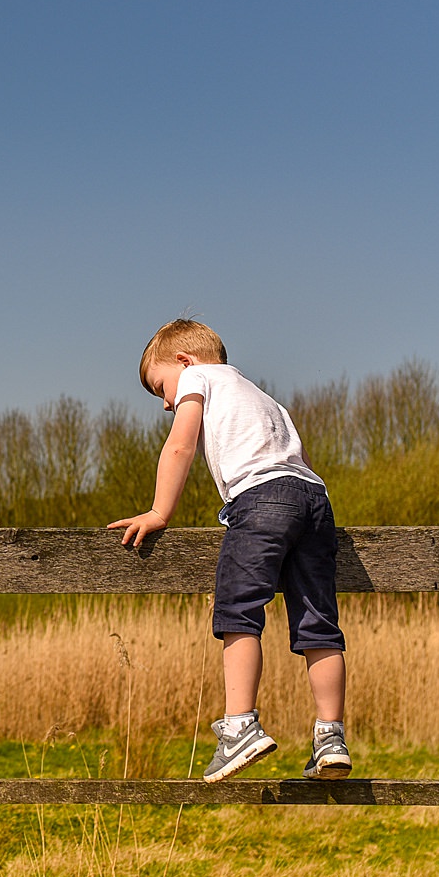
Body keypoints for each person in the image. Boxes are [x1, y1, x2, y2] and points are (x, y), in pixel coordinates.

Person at [108, 319, 351, 783]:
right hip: (314, 500)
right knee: (319, 622)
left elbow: (179, 446)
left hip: (260, 499)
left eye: (161, 386)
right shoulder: (266, 399)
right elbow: (299, 465)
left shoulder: (199, 378)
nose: (164, 402)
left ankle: (240, 725)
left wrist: (160, 513)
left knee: (238, 610)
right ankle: (330, 735)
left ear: (184, 361)